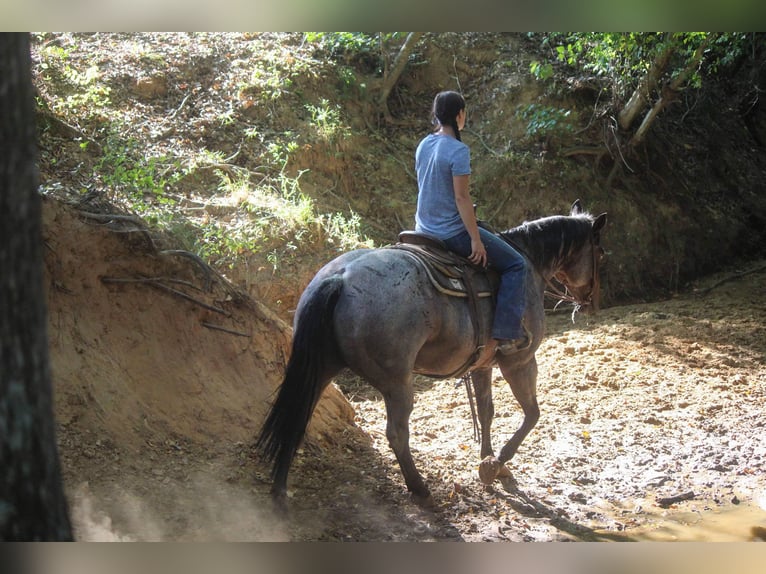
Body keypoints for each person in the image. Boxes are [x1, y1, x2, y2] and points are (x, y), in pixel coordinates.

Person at [415, 90, 529, 355]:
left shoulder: (424, 144)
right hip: (449, 232)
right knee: (516, 264)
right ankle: (506, 335)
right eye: (464, 112)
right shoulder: (458, 150)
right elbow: (461, 197)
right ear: (459, 115)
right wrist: (475, 240)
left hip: (421, 230)